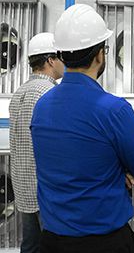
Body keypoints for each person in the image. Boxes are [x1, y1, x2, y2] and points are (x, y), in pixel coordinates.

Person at [30, 4, 134, 253]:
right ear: (100, 55)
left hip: (52, 240)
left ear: (62, 56)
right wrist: (119, 171)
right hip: (104, 242)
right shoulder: (114, 110)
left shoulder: (42, 106)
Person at [9, 32, 64, 253]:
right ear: (51, 60)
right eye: (61, 57)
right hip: (45, 191)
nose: (64, 63)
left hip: (23, 188)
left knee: (31, 246)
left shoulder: (19, 92)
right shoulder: (50, 93)